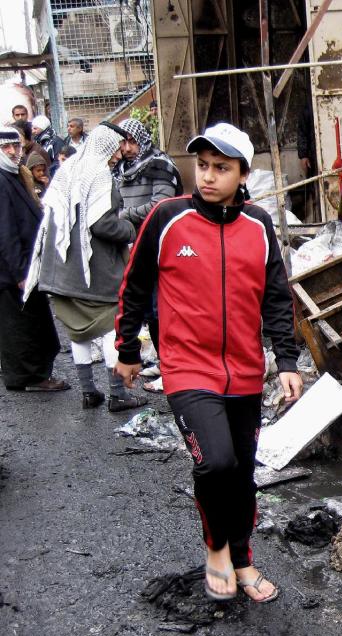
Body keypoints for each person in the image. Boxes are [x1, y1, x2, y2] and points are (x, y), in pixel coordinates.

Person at [115, 122, 303, 602]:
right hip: (187, 367)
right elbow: (134, 285)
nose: (208, 176)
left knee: (241, 471)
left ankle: (243, 558)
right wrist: (128, 350)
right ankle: (216, 547)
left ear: (243, 173)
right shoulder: (167, 218)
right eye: (202, 166)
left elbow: (277, 299)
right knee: (215, 462)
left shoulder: (259, 225)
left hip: (243, 370)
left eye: (221, 168)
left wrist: (286, 359)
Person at [24, 122, 145, 411]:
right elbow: (101, 224)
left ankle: (89, 392)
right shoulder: (99, 173)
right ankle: (118, 394)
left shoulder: (70, 167)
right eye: (116, 148)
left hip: (61, 269)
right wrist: (129, 228)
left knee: (78, 331)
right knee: (108, 328)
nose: (119, 154)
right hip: (92, 271)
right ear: (106, 146)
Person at [114, 117, 182, 392]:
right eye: (123, 142)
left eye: (131, 141)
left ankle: (172, 366)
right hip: (135, 246)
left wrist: (123, 217)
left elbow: (160, 205)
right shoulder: (122, 169)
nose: (127, 148)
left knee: (161, 309)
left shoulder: (160, 166)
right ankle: (164, 361)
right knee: (144, 309)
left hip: (159, 245)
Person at [0, 126, 68, 393]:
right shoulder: (2, 179)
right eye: (5, 147)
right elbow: (5, 232)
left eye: (15, 146)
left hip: (25, 266)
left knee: (29, 323)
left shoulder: (14, 175)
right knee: (22, 327)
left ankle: (29, 373)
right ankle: (29, 378)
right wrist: (19, 273)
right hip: (13, 272)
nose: (12, 152)